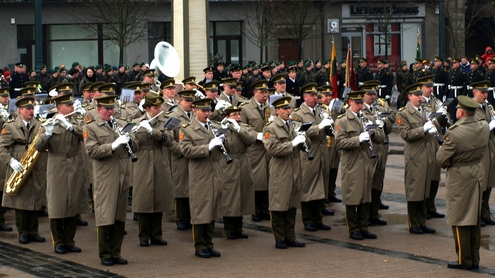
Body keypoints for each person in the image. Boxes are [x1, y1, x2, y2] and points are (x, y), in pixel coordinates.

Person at [83, 94, 138, 266]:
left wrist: (130, 139)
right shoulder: (91, 127)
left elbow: (136, 146)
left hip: (122, 174)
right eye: (106, 109)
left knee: (120, 216)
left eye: (112, 108)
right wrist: (113, 146)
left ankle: (116, 252)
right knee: (105, 216)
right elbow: (92, 151)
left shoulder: (120, 124)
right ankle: (105, 254)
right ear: (99, 110)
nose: (110, 111)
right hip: (105, 176)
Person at [436, 95, 490, 270]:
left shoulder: (455, 133)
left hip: (460, 177)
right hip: (477, 173)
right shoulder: (483, 126)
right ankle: (474, 258)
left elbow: (441, 159)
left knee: (460, 219)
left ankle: (464, 260)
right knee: (474, 218)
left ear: (460, 112)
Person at [34, 93, 88, 254]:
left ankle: (69, 240)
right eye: (68, 105)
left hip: (75, 165)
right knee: (57, 206)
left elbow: (85, 135)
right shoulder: (50, 123)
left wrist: (69, 126)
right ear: (59, 108)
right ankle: (58, 242)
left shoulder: (76, 121)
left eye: (72, 105)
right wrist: (48, 133)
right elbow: (38, 146)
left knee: (73, 204)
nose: (72, 107)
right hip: (57, 166)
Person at [334, 90, 383, 240]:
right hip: (353, 163)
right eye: (357, 103)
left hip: (366, 162)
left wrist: (373, 133)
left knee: (365, 196)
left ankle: (363, 226)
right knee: (352, 196)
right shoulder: (342, 120)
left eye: (362, 102)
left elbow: (380, 139)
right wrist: (357, 140)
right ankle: (353, 228)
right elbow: (339, 143)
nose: (360, 106)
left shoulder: (365, 118)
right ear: (350, 102)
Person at [179, 98, 224, 259]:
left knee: (212, 210)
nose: (207, 114)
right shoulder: (187, 129)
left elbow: (229, 147)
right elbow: (186, 151)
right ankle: (199, 245)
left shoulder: (214, 127)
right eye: (204, 111)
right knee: (200, 211)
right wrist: (208, 147)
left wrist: (225, 139)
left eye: (208, 111)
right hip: (200, 174)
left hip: (215, 172)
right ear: (195, 111)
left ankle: (209, 243)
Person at [0, 96, 46, 244]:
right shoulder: (11, 126)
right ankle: (23, 232)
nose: (31, 111)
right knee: (21, 203)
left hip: (35, 167)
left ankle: (34, 231)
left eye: (32, 108)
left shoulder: (39, 124)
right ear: (20, 110)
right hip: (19, 168)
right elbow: (1, 147)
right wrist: (11, 161)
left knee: (35, 200)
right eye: (28, 109)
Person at [262, 96, 306, 249]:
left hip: (294, 169)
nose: (289, 111)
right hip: (280, 170)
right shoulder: (270, 127)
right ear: (277, 110)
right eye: (286, 109)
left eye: (290, 108)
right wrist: (292, 143)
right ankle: (279, 238)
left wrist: (302, 140)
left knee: (292, 205)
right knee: (279, 205)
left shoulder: (293, 125)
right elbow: (272, 149)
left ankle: (291, 236)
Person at [291, 83, 333, 231]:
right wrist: (320, 127)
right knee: (308, 187)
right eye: (312, 96)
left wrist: (330, 124)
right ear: (304, 97)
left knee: (321, 185)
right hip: (308, 152)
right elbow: (300, 132)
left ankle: (318, 218)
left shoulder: (320, 111)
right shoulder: (298, 114)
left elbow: (329, 131)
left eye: (316, 96)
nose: (315, 98)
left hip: (322, 151)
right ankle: (308, 219)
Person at [132, 93, 172, 247]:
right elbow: (134, 143)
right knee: (144, 199)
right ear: (147, 108)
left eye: (159, 106)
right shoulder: (137, 122)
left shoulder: (165, 121)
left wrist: (153, 132)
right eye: (155, 107)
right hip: (142, 161)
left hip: (159, 159)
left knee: (158, 197)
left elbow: (169, 139)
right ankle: (143, 235)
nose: (158, 109)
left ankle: (156, 234)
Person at [396, 83, 437, 235]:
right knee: (415, 190)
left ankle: (422, 221)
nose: (420, 97)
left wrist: (433, 128)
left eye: (421, 94)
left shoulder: (425, 110)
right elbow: (406, 135)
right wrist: (423, 129)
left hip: (427, 154)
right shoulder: (403, 113)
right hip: (415, 155)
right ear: (409, 96)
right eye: (417, 95)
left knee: (425, 189)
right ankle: (414, 223)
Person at [360, 82, 394, 225]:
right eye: (370, 94)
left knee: (378, 181)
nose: (373, 97)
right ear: (363, 95)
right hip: (369, 148)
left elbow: (391, 124)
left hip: (382, 147)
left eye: (374, 94)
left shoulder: (380, 106)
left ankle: (374, 213)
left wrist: (385, 122)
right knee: (367, 181)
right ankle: (364, 215)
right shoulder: (360, 109)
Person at [220, 105, 256, 239]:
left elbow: (251, 140)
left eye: (239, 114)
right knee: (229, 196)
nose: (238, 117)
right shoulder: (222, 128)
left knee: (242, 194)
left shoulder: (244, 127)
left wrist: (238, 128)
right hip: (229, 163)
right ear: (227, 117)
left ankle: (239, 227)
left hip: (243, 162)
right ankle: (229, 228)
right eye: (234, 114)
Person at [240, 80, 271, 222]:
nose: (264, 95)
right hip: (254, 148)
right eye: (262, 92)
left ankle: (264, 209)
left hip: (267, 148)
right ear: (255, 93)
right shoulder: (246, 108)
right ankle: (255, 211)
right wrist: (256, 135)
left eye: (266, 92)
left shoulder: (269, 107)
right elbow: (243, 127)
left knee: (266, 180)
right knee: (255, 181)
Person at [168, 90, 195, 231]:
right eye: (187, 101)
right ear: (180, 101)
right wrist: (180, 149)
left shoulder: (196, 115)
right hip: (180, 157)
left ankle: (192, 216)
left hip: (194, 156)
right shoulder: (174, 117)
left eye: (192, 101)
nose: (190, 103)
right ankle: (181, 218)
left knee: (193, 187)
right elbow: (168, 137)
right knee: (181, 188)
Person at [470, 80, 495, 226]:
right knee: (480, 183)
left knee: (489, 181)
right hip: (479, 149)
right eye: (482, 92)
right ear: (475, 93)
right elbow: (474, 129)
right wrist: (490, 125)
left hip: (490, 147)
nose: (486, 95)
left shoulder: (488, 106)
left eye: (486, 92)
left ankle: (485, 213)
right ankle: (475, 215)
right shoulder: (470, 108)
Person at [0, 87, 13, 232]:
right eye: (3, 97)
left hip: (3, 154)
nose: (7, 99)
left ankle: (1, 219)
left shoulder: (6, 113)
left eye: (7, 96)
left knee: (2, 186)